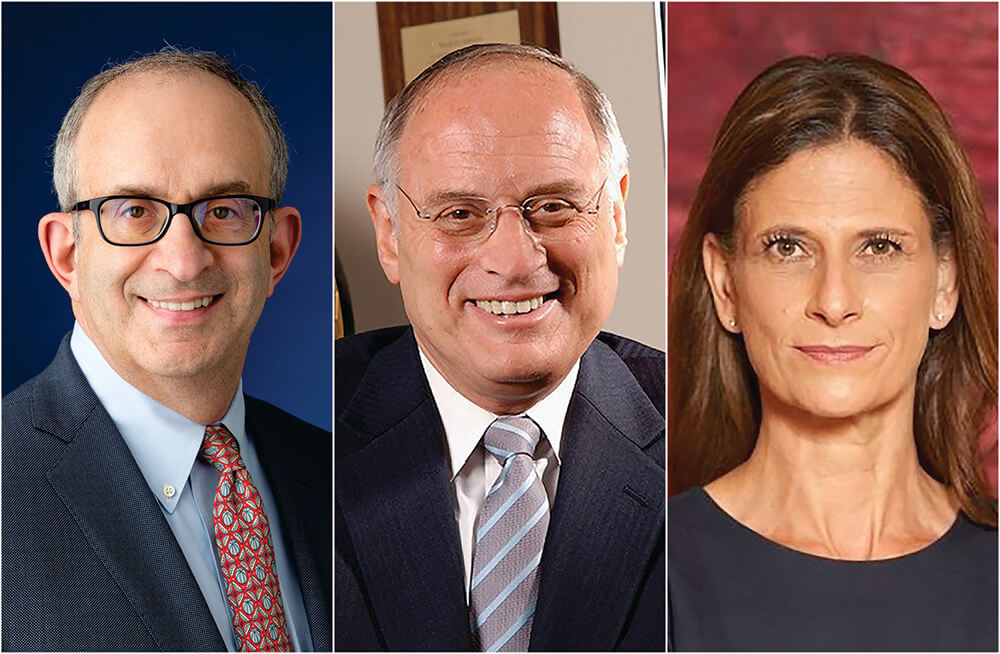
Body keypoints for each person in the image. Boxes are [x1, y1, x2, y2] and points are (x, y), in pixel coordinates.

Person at [336, 44, 664, 651]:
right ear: (389, 233)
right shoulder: (298, 438)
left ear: (616, 216)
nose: (515, 260)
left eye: (554, 207)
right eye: (460, 213)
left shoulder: (711, 438)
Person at [1, 49, 331, 651]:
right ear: (66, 255)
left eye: (225, 210)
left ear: (277, 251)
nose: (183, 261)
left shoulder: (335, 472)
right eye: (133, 210)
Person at [667, 53, 998, 651]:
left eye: (879, 246)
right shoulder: (640, 572)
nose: (835, 300)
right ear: (725, 285)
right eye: (788, 247)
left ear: (944, 282)